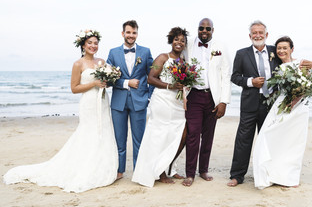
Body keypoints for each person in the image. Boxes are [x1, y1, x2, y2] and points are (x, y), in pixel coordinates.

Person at [3, 30, 118, 193]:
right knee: (88, 133)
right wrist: (94, 84)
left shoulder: (102, 61)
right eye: (90, 43)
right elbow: (74, 88)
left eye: (95, 43)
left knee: (104, 131)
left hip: (103, 101)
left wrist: (107, 81)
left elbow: (106, 80)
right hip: (89, 104)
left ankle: (104, 166)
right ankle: (85, 167)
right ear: (83, 45)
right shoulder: (78, 64)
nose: (93, 46)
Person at [228, 21, 312, 187]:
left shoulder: (275, 50)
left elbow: (290, 64)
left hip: (272, 103)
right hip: (249, 103)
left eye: (261, 32)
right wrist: (251, 82)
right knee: (243, 139)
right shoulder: (241, 54)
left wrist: (307, 65)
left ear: (266, 35)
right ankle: (237, 175)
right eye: (254, 33)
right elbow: (235, 77)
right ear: (250, 36)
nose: (257, 35)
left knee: (271, 139)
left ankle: (272, 173)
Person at [132, 27, 188, 187]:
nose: (179, 42)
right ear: (171, 40)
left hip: (177, 104)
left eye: (182, 40)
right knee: (161, 136)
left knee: (181, 135)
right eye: (176, 39)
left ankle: (169, 166)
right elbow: (150, 78)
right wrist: (171, 86)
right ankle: (160, 172)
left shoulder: (183, 61)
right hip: (162, 101)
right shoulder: (162, 58)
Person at [252, 36, 310, 189]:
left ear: (292, 49)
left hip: (298, 108)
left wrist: (294, 102)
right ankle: (273, 174)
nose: (282, 51)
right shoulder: (278, 67)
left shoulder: (301, 64)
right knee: (269, 137)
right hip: (281, 105)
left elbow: (306, 86)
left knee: (293, 143)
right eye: (279, 48)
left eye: (285, 48)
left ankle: (289, 178)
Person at [182, 18, 231, 187]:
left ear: (212, 30)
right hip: (193, 95)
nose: (204, 31)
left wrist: (224, 101)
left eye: (208, 29)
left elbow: (226, 75)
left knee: (208, 136)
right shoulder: (188, 45)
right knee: (193, 134)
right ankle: (190, 174)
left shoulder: (221, 46)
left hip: (212, 97)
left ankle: (203, 170)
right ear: (197, 29)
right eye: (201, 28)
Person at [107, 20, 153, 180]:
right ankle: (120, 171)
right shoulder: (113, 53)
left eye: (134, 33)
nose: (131, 35)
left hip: (139, 101)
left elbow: (152, 77)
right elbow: (108, 78)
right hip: (118, 103)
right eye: (128, 32)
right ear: (123, 34)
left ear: (137, 34)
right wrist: (126, 83)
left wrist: (148, 96)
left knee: (139, 140)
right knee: (120, 139)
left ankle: (138, 171)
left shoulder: (145, 52)